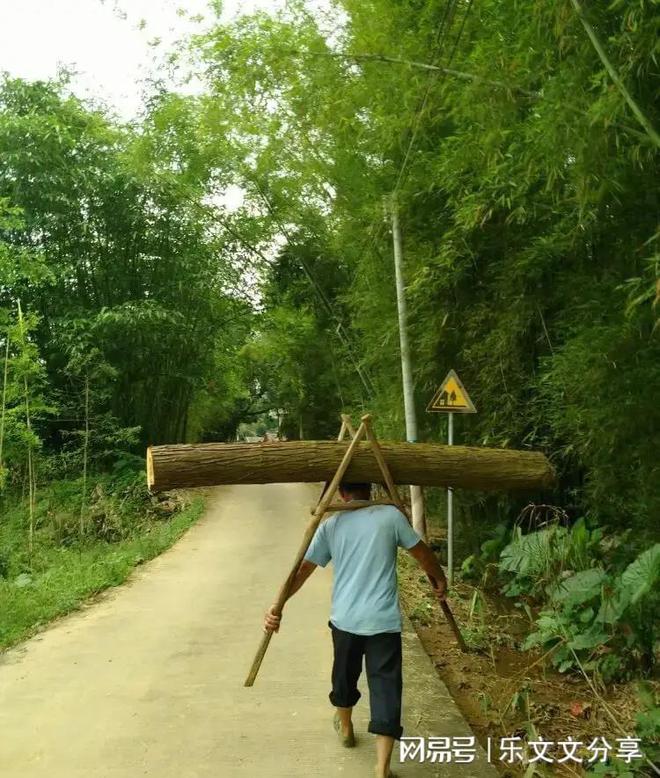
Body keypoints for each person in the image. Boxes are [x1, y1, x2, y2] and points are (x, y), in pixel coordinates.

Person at [263, 482, 448, 778]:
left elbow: (302, 572)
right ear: (370, 490)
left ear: (340, 494)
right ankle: (381, 768)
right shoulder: (390, 517)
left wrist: (278, 605)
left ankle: (346, 725)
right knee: (386, 688)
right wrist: (438, 577)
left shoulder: (331, 525)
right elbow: (421, 552)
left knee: (344, 677)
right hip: (382, 622)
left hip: (345, 621)